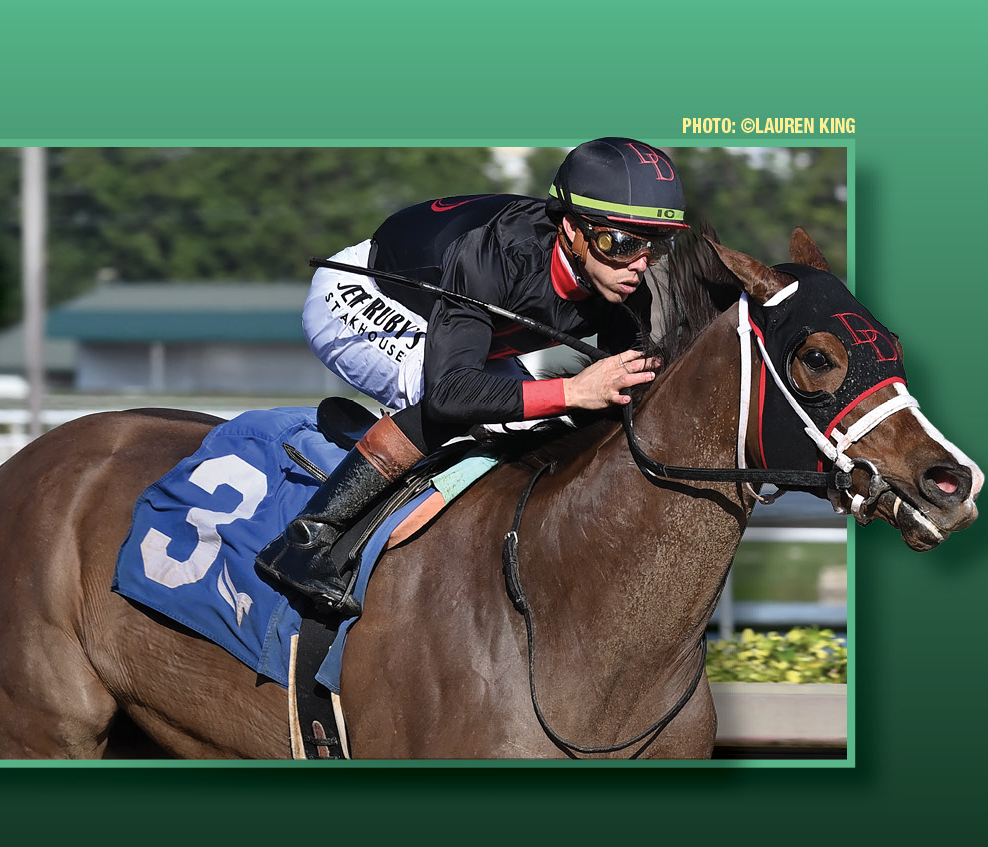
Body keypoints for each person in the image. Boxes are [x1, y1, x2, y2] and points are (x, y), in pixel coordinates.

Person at [256, 137, 689, 617]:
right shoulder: (499, 253)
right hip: (363, 291)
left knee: (526, 420)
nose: (639, 265)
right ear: (572, 228)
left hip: (448, 326)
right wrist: (571, 390)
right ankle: (306, 538)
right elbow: (450, 393)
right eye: (621, 242)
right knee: (458, 404)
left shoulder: (624, 286)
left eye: (655, 246)